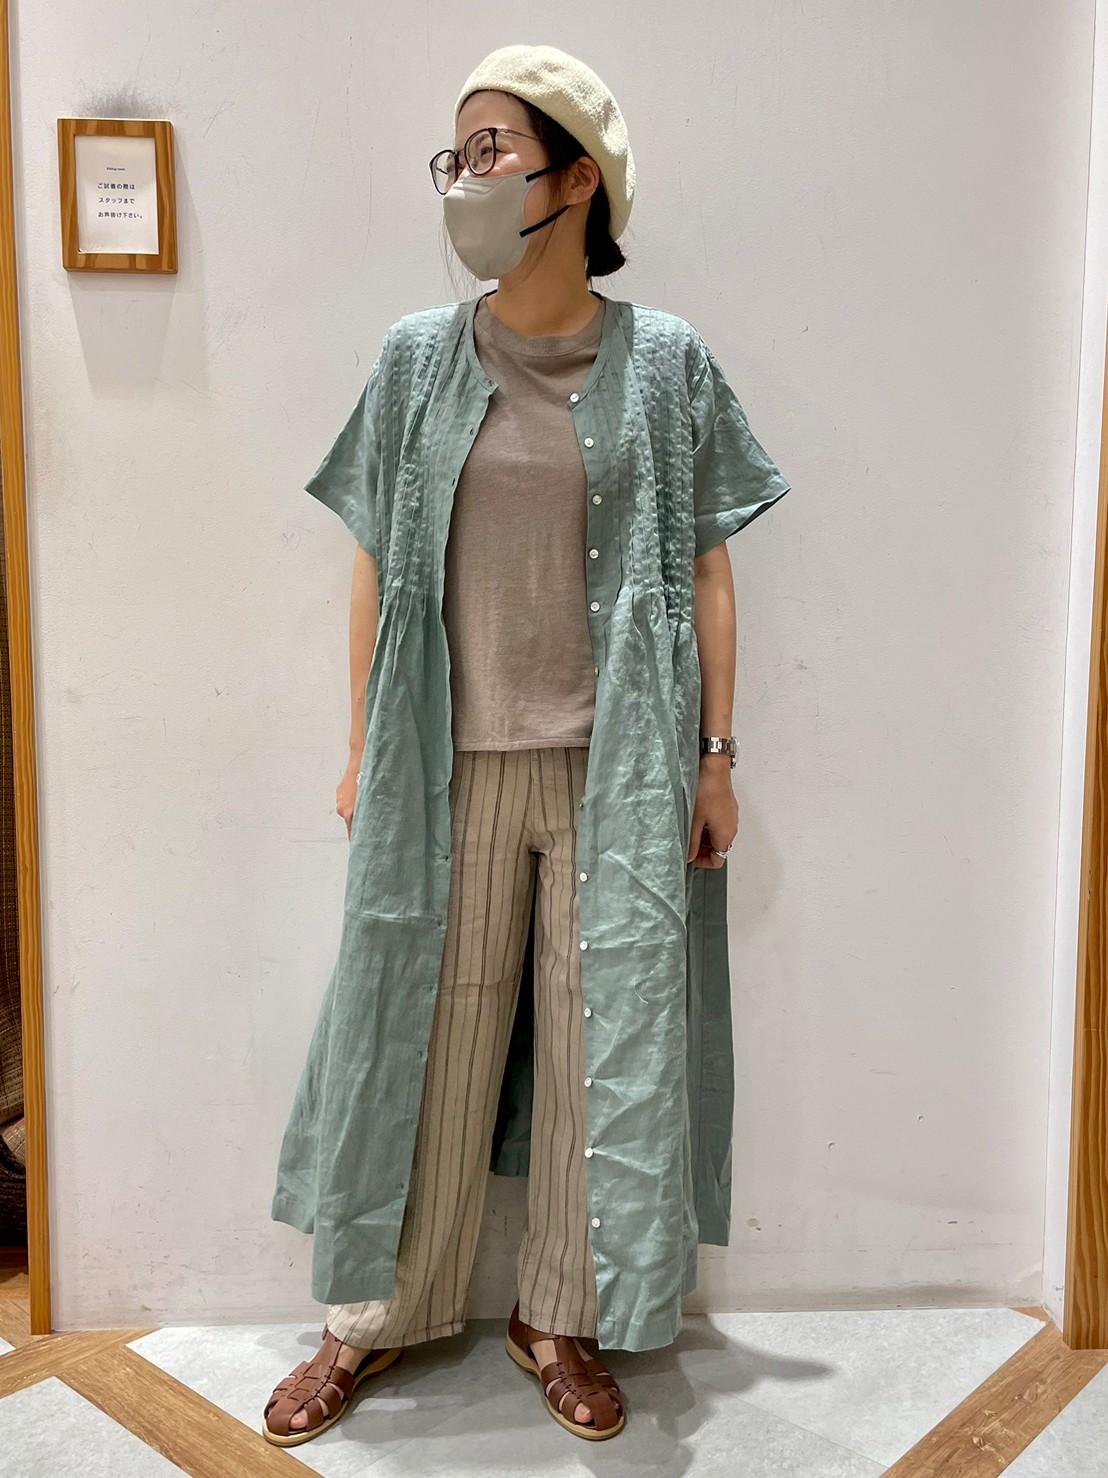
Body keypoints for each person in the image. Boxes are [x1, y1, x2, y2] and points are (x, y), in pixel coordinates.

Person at [264, 42, 790, 1448]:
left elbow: (711, 568)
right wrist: (364, 744)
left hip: (616, 770)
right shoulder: (418, 358)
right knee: (421, 1028)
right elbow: (374, 561)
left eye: (491, 150)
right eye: (458, 154)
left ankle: (557, 1315)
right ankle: (369, 1315)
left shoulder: (666, 362)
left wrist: (716, 757)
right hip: (449, 767)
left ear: (577, 177)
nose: (466, 179)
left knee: (595, 1044)